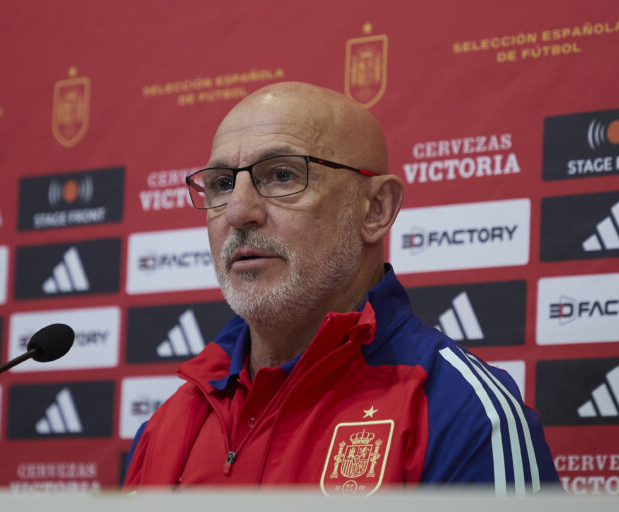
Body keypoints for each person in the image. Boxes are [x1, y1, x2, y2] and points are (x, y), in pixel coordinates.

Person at [123, 82, 559, 495]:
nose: (238, 210)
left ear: (376, 209)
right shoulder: (168, 425)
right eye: (221, 183)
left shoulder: (462, 413)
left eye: (281, 175)